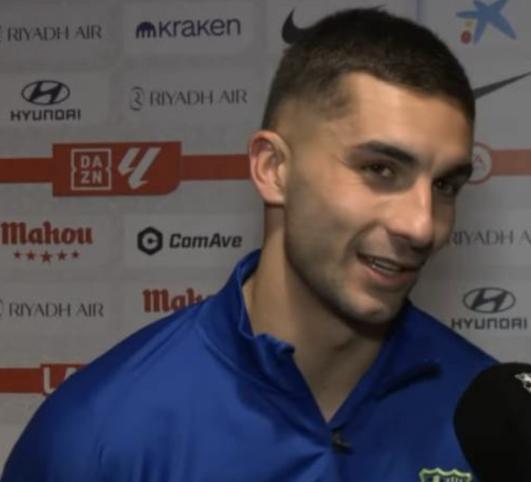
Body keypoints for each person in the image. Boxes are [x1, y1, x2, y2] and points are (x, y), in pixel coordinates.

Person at [1, 8, 495, 481]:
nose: (422, 226)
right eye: (380, 170)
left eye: (445, 185)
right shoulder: (100, 433)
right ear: (273, 169)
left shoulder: (495, 421)